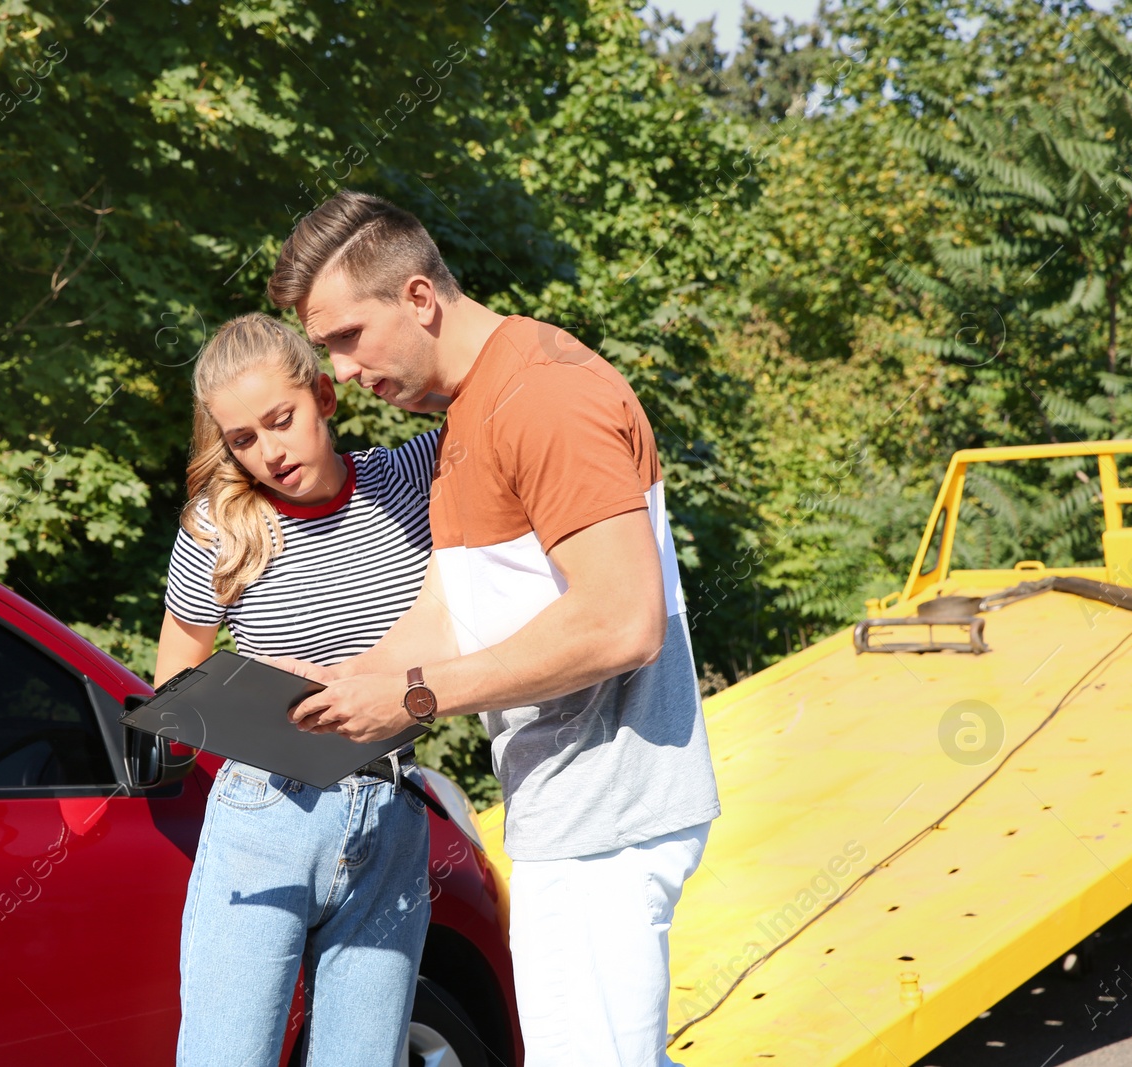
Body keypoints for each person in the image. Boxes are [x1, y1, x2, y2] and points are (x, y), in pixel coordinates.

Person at [265, 190, 722, 1067]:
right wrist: (336, 687)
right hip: (563, 815)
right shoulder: (465, 415)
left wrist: (415, 696)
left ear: (419, 299)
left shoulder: (544, 397)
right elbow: (448, 611)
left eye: (347, 337)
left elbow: (623, 623)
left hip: (612, 821)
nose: (343, 373)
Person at [154, 312, 441, 1067]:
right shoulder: (219, 527)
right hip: (265, 814)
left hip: (391, 812)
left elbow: (491, 395)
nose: (269, 452)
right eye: (243, 439)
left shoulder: (410, 479)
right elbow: (173, 684)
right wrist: (279, 690)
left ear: (325, 395)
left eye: (281, 420)